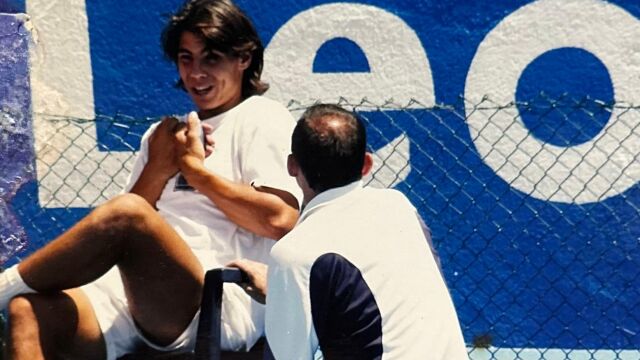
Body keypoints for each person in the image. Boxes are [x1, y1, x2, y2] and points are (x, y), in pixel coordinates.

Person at [1, 0, 301, 359]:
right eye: (186, 58)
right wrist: (158, 166)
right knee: (27, 311)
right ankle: (9, 294)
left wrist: (196, 173)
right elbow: (126, 232)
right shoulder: (163, 135)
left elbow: (280, 219)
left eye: (211, 58)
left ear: (244, 59)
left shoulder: (262, 117)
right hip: (135, 301)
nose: (196, 73)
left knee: (127, 213)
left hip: (216, 302)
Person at [230, 104, 468, 359]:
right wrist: (281, 288)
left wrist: (283, 287)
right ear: (367, 164)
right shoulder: (400, 207)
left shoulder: (292, 254)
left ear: (291, 166)